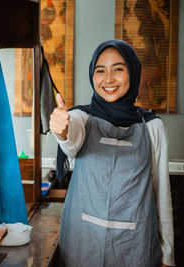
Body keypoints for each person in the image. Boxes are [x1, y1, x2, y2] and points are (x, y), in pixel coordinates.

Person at [49, 39, 174, 267]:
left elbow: (162, 194)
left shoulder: (153, 127)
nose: (108, 79)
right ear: (92, 76)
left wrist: (168, 257)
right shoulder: (81, 118)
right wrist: (62, 129)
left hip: (136, 248)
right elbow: (71, 140)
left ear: (133, 73)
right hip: (82, 246)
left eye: (118, 69)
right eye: (100, 70)